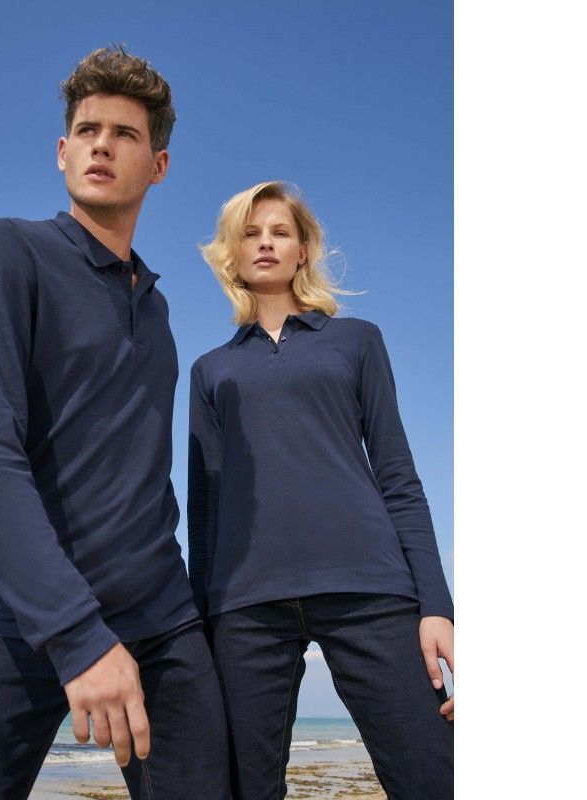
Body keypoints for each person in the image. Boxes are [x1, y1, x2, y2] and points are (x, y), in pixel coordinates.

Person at [0, 47, 230, 800]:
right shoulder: (10, 249)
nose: (102, 145)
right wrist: (77, 634)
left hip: (161, 623)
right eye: (88, 130)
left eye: (125, 134)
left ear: (158, 165)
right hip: (20, 617)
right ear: (62, 151)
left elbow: (147, 473)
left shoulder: (156, 310)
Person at [188, 180, 454, 800]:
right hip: (245, 607)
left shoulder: (357, 340)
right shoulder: (209, 370)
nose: (265, 243)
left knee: (432, 774)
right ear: (232, 253)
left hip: (369, 588)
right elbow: (206, 508)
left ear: (303, 249)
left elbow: (398, 474)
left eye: (280, 232)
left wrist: (436, 605)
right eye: (250, 234)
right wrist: (201, 625)